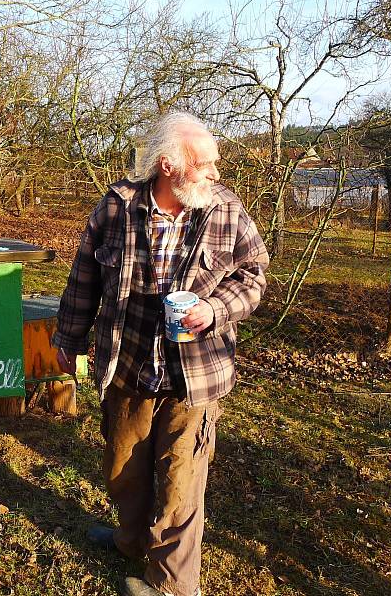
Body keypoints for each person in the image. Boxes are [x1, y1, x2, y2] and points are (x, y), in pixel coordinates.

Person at [52, 112, 269, 596]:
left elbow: (253, 276)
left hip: (195, 375)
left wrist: (214, 310)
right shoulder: (116, 207)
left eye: (215, 163)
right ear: (168, 165)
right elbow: (84, 277)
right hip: (127, 364)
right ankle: (130, 542)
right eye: (205, 163)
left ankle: (172, 585)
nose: (215, 173)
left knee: (180, 481)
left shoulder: (226, 210)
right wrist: (69, 337)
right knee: (123, 466)